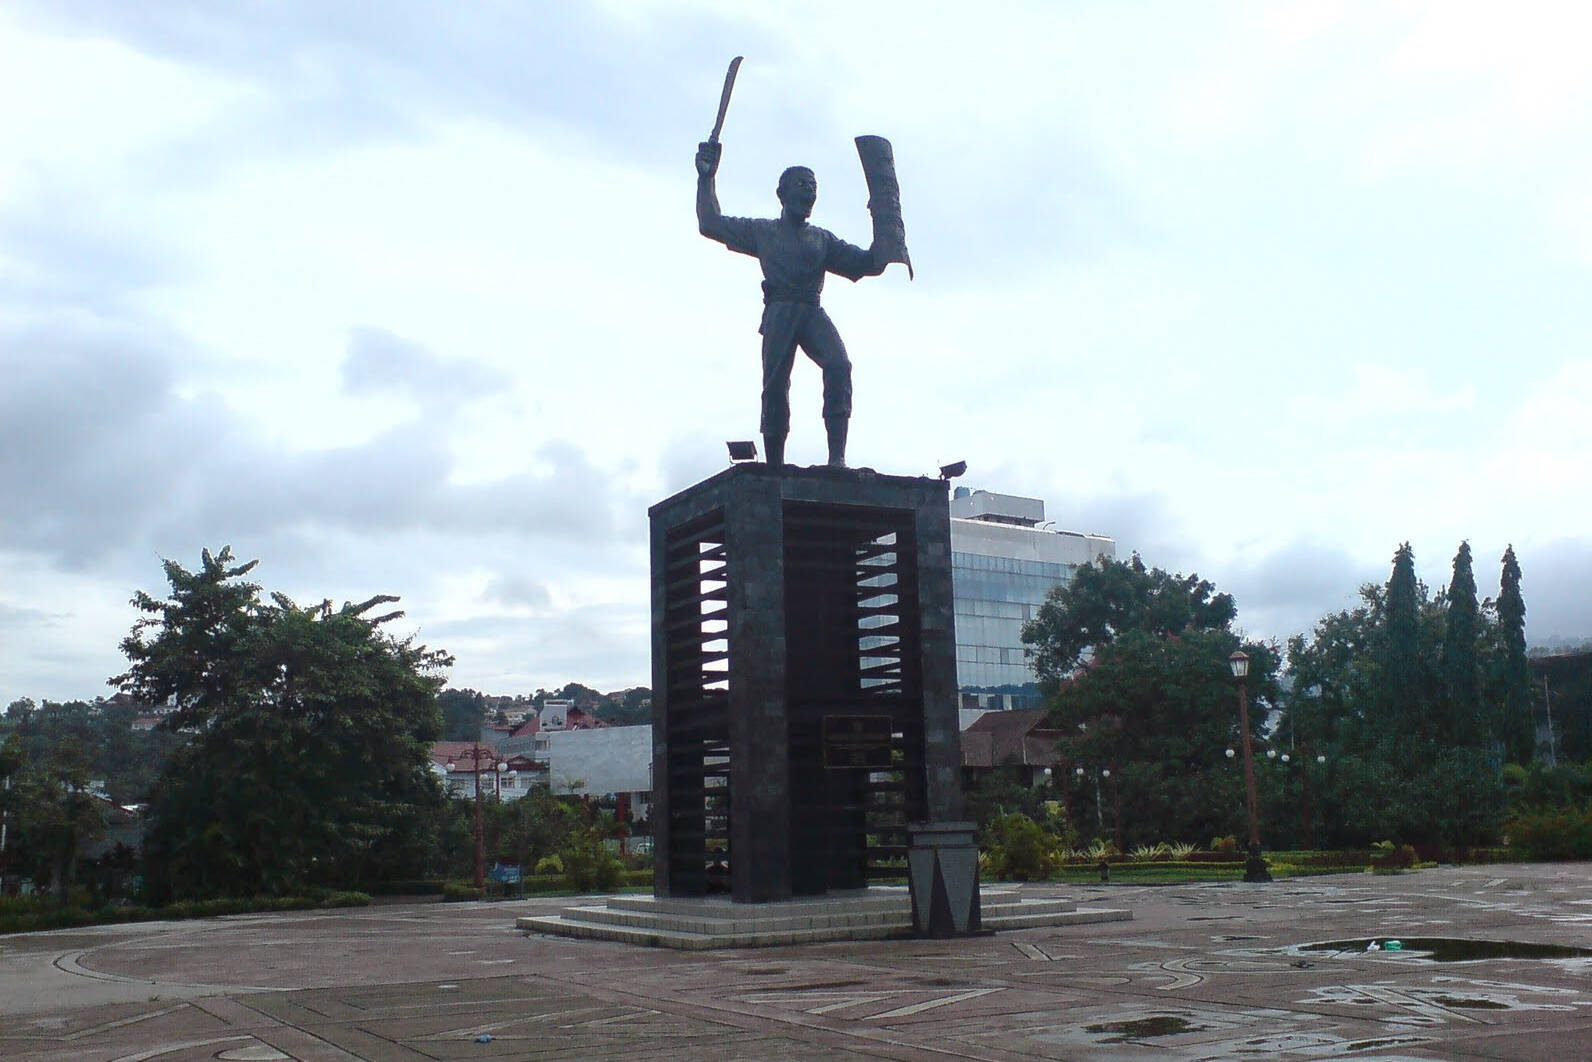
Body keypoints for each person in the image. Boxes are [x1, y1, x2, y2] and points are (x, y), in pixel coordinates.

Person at [695, 140, 888, 467]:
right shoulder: (762, 231)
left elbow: (869, 263)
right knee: (775, 385)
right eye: (801, 185)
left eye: (813, 187)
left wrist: (882, 220)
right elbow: (710, 223)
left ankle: (836, 458)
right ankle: (775, 465)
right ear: (781, 194)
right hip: (780, 311)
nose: (809, 193)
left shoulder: (821, 239)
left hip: (811, 309)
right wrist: (706, 178)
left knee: (839, 365)